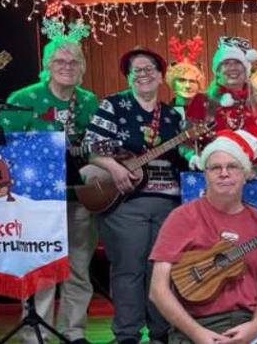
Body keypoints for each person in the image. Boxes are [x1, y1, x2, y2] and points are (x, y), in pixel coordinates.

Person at [0, 25, 99, 344]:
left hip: (78, 198)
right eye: (60, 62)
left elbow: (97, 147)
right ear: (47, 66)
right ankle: (36, 334)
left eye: (74, 62)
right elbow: (3, 151)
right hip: (36, 202)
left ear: (82, 68)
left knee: (79, 268)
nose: (68, 67)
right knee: (42, 269)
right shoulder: (23, 98)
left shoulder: (88, 101)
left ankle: (74, 332)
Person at [81, 48, 187, 344]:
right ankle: (127, 335)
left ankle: (160, 333)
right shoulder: (113, 105)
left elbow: (182, 156)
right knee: (128, 269)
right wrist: (115, 169)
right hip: (124, 200)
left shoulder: (171, 116)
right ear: (128, 77)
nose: (144, 74)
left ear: (161, 76)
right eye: (136, 70)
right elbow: (92, 147)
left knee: (161, 271)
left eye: (150, 68)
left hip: (168, 203)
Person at [148, 128, 257, 344]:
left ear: (246, 174)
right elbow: (158, 289)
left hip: (249, 324)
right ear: (205, 175)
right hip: (196, 325)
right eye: (215, 168)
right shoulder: (181, 218)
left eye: (232, 166)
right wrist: (197, 333)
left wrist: (253, 329)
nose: (224, 173)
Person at [185, 37, 257, 161]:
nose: (232, 68)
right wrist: (194, 158)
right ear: (217, 71)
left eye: (237, 63)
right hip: (215, 174)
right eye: (226, 63)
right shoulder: (201, 101)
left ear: (246, 69)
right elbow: (186, 142)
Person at [165, 35, 206, 118]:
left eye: (192, 81)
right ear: (173, 83)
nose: (188, 86)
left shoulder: (208, 113)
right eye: (181, 80)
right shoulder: (163, 114)